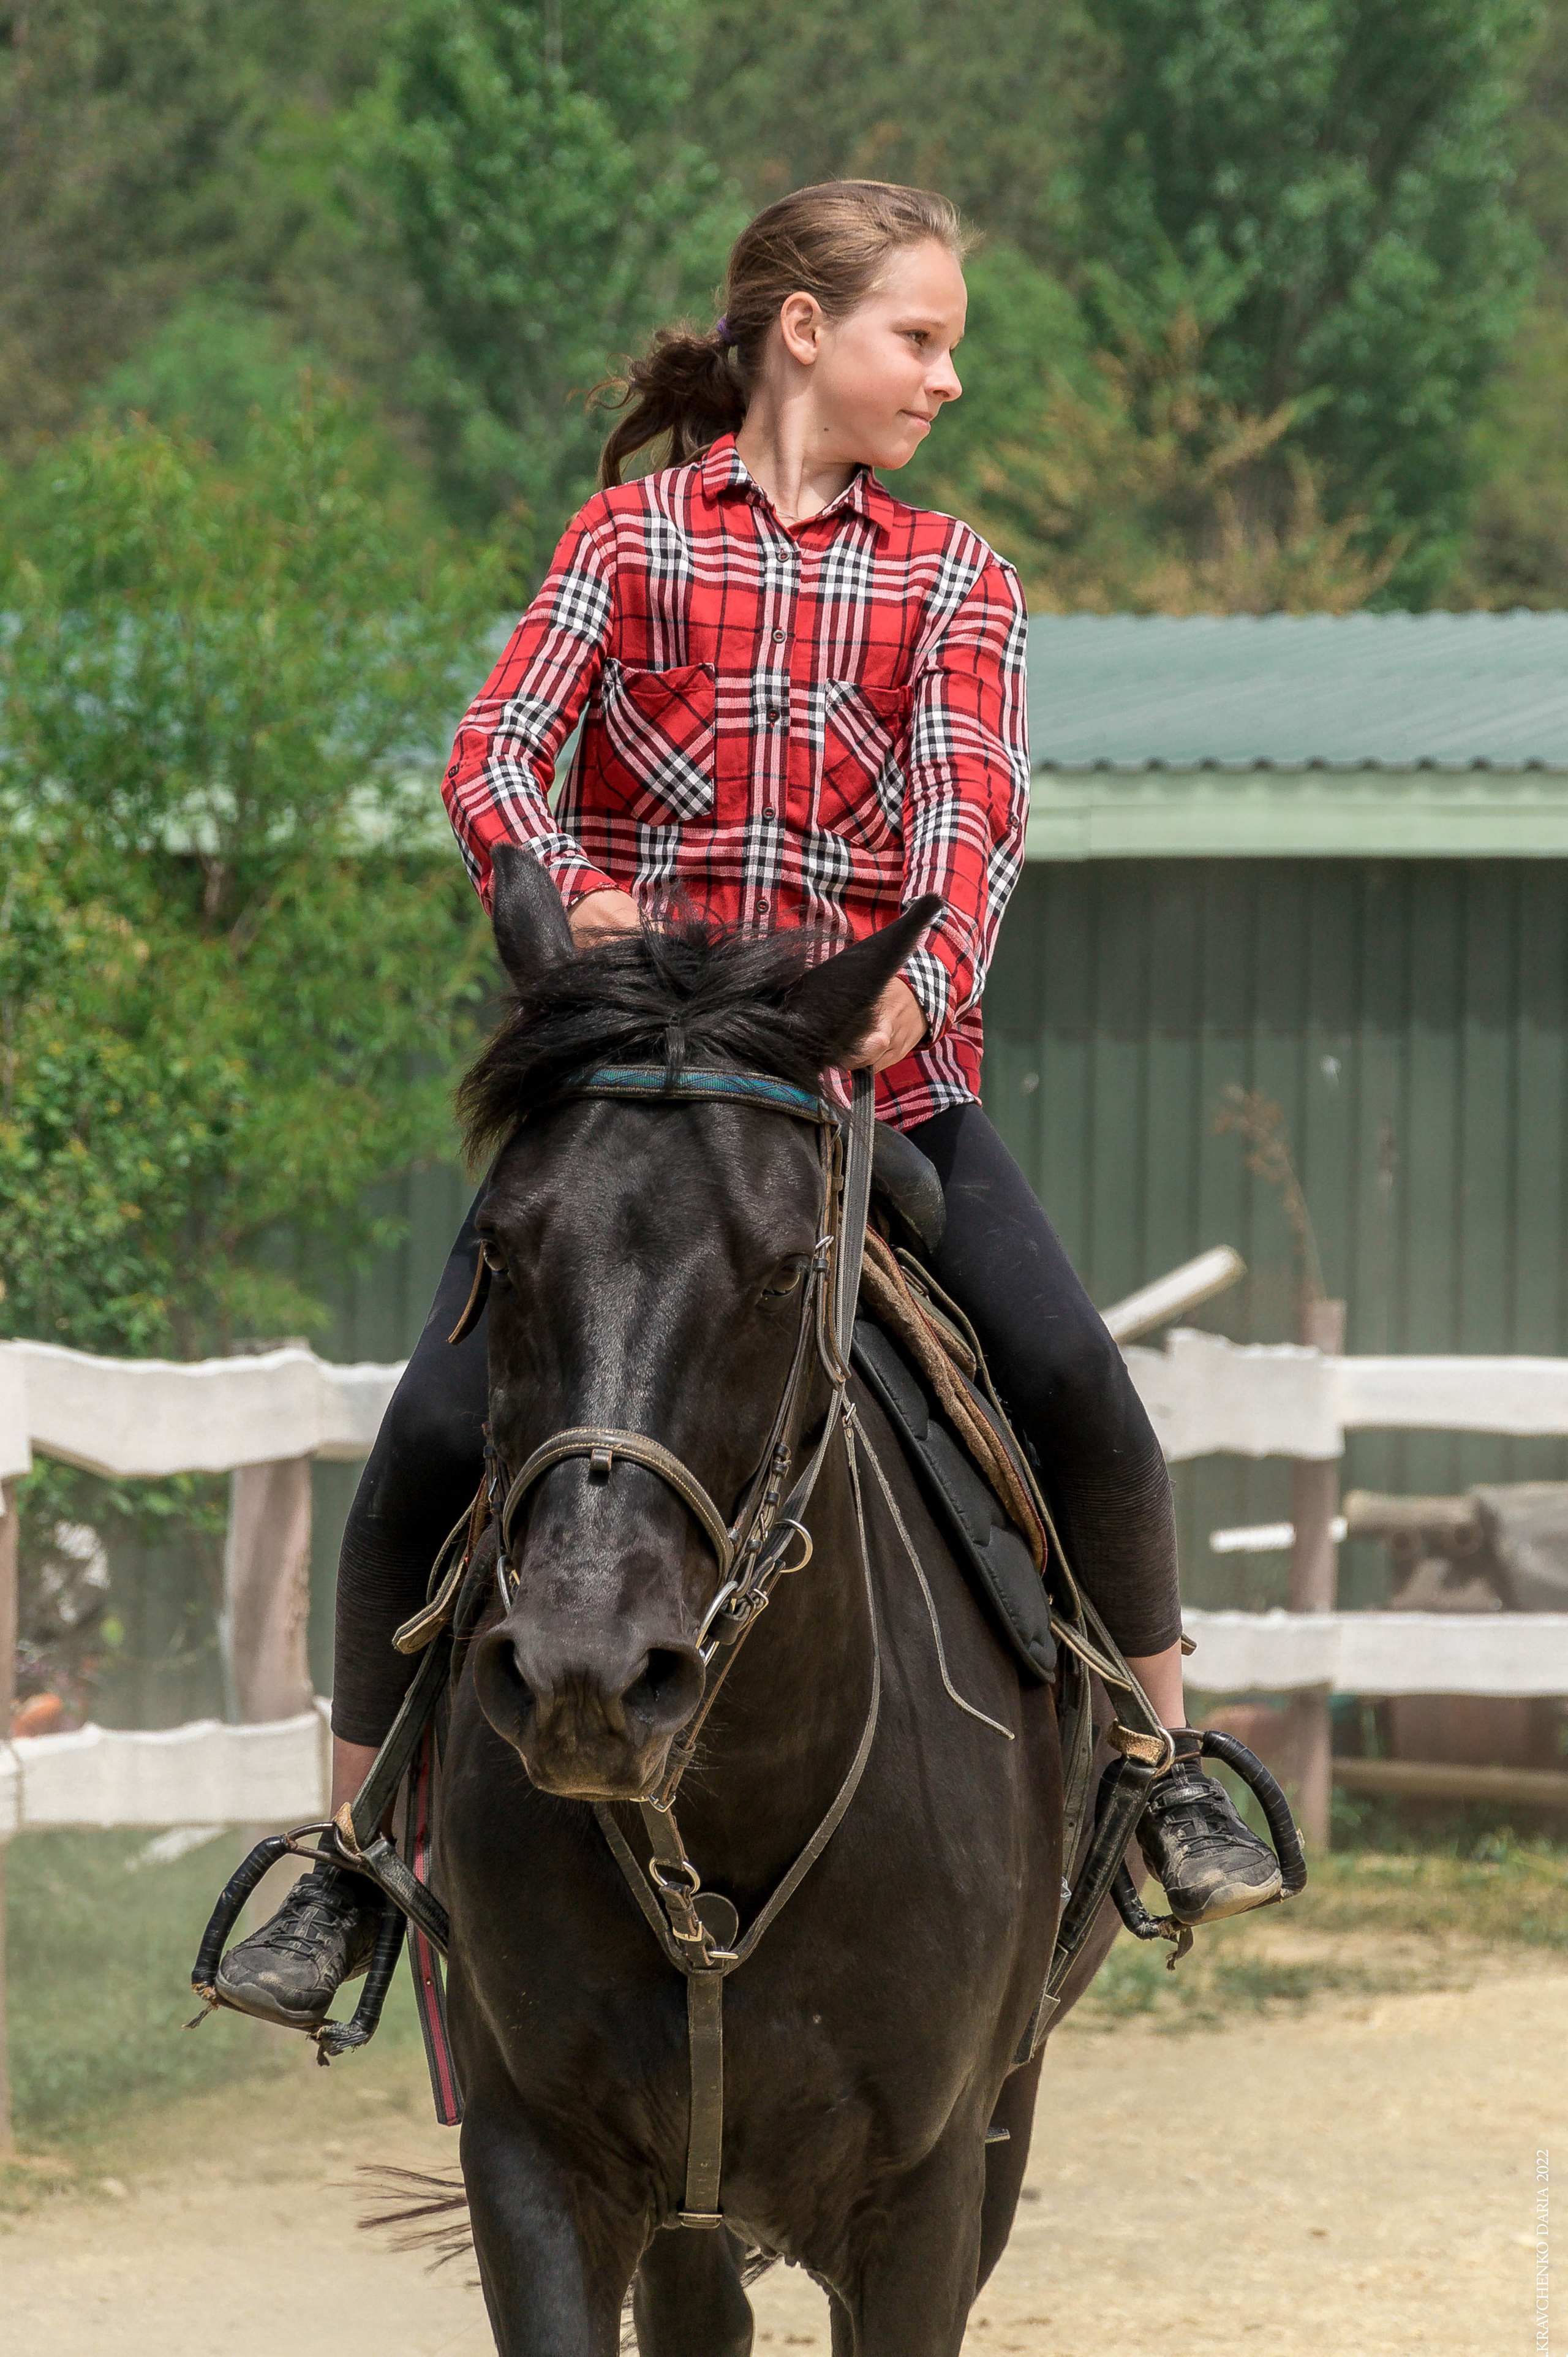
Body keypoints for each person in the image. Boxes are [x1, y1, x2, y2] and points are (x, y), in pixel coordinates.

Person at [218, 180, 1280, 2029]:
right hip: (633, 1097)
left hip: (873, 1094)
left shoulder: (954, 579)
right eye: (920, 339)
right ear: (806, 330)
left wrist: (910, 995)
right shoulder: (626, 544)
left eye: (949, 347)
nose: (946, 380)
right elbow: (494, 757)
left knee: (1084, 1395)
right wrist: (563, 900)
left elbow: (972, 821)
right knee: (423, 1441)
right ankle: (351, 1868)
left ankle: (1157, 1770)